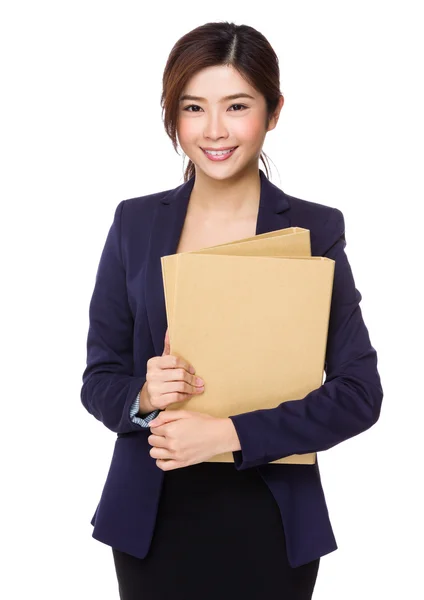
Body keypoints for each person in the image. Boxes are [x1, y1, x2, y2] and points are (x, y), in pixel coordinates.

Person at [81, 21, 383, 600]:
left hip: (270, 517)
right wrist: (143, 398)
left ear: (273, 112)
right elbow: (99, 378)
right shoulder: (134, 223)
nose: (214, 130)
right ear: (173, 115)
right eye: (194, 107)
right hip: (152, 520)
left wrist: (227, 433)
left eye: (237, 105)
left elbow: (359, 392)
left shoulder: (314, 230)